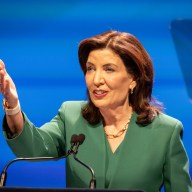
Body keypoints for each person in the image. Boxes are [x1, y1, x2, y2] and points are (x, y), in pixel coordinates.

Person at [0, 30, 192, 192]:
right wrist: (13, 104)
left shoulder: (167, 131)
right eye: (91, 69)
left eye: (108, 69)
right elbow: (34, 150)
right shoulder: (71, 115)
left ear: (133, 78)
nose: (96, 79)